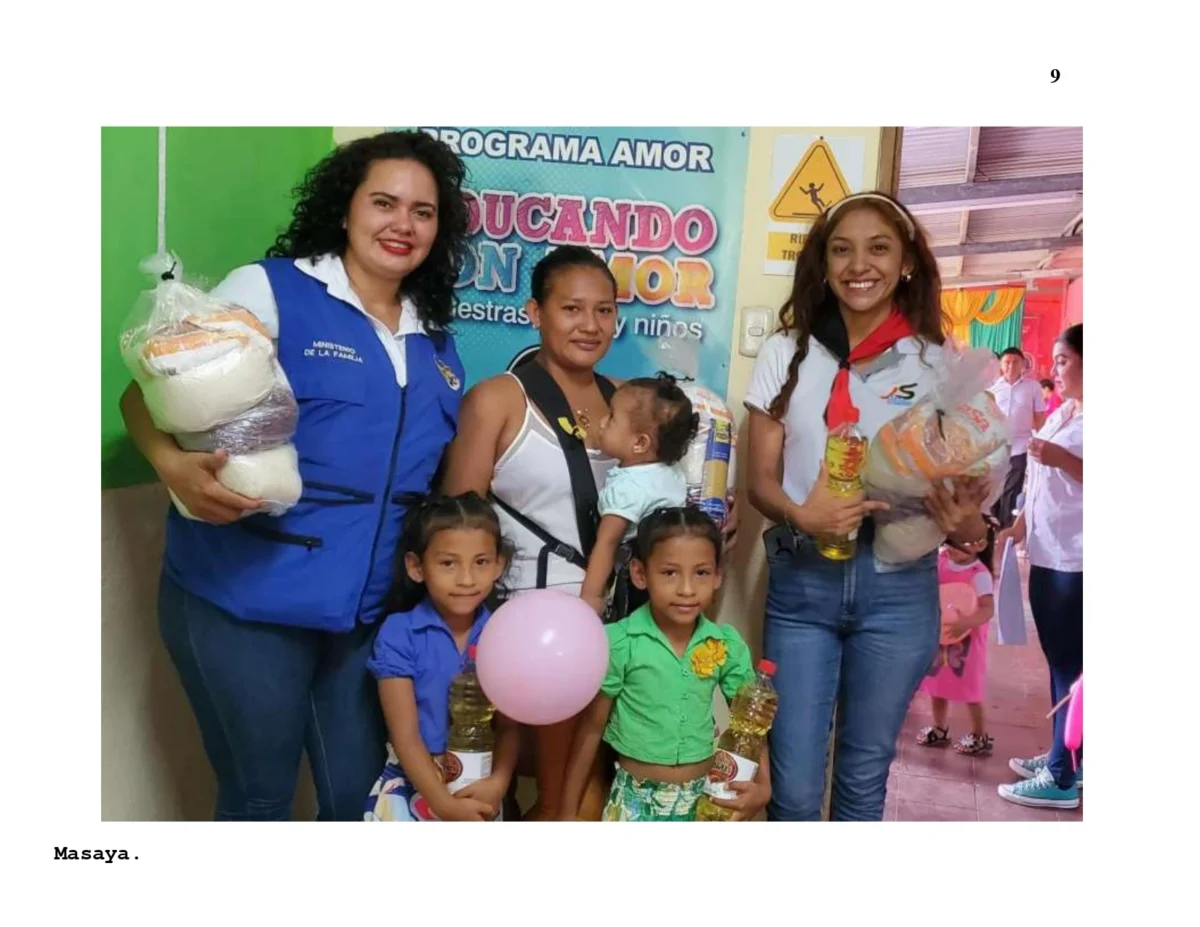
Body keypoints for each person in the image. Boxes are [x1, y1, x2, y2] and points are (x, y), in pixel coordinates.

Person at [118, 130, 471, 820]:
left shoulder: (433, 334)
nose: (402, 223)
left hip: (364, 618)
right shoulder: (273, 289)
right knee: (261, 794)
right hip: (245, 598)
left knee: (355, 798)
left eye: (422, 211)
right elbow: (145, 393)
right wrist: (172, 466)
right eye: (384, 202)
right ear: (346, 208)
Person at [443, 246, 737, 820]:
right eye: (571, 308)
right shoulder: (498, 399)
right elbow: (458, 526)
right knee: (529, 789)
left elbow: (668, 502)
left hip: (626, 619)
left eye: (604, 310)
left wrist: (713, 520)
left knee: (596, 790)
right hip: (533, 626)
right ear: (535, 312)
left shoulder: (631, 401)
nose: (590, 324)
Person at [744, 190, 992, 822]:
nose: (860, 265)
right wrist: (804, 515)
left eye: (879, 248)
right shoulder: (786, 352)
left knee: (863, 778)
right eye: (842, 250)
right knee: (794, 789)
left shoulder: (937, 364)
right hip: (803, 584)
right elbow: (759, 484)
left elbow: (965, 510)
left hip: (899, 591)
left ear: (906, 263)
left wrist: (966, 524)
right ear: (824, 264)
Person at [558, 507, 770, 821]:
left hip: (703, 801)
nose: (687, 589)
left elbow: (749, 721)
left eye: (701, 573)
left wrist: (764, 786)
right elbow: (591, 729)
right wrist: (566, 812)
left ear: (718, 575)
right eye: (670, 572)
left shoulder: (725, 644)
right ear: (640, 574)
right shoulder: (620, 642)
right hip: (633, 802)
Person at [364, 493, 519, 822]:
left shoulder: (505, 632)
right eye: (449, 563)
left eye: (481, 562)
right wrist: (442, 804)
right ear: (416, 567)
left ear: (499, 564)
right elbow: (404, 736)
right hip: (413, 780)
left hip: (480, 784)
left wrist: (498, 783)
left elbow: (510, 727)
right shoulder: (399, 633)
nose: (466, 579)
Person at [996, 324, 1083, 810]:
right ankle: (1067, 755)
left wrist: (1060, 457)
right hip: (1047, 549)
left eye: (1064, 360)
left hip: (1076, 559)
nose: (1055, 369)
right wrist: (1019, 526)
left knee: (1071, 665)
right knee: (1061, 660)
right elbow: (1040, 480)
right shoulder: (1068, 411)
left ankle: (1061, 776)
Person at [578, 373, 696, 616]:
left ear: (640, 443)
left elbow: (607, 542)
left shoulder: (628, 488)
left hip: (637, 588)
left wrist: (591, 596)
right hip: (674, 579)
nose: (602, 422)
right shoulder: (672, 472)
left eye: (611, 417)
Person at [915, 545, 996, 756]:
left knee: (971, 689)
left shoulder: (979, 574)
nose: (951, 547)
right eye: (949, 541)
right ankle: (939, 727)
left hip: (966, 645)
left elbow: (987, 609)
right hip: (941, 636)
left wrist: (966, 623)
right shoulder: (941, 560)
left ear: (978, 544)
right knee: (938, 684)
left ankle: (979, 734)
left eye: (958, 542)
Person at [990, 347, 1046, 529]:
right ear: (1001, 365)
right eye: (1007, 362)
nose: (1011, 366)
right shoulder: (992, 389)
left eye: (1015, 362)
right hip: (995, 447)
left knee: (1013, 487)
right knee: (994, 488)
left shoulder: (1033, 387)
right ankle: (992, 524)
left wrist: (1041, 440)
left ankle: (1006, 528)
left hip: (1020, 445)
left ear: (1023, 364)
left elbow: (1039, 416)